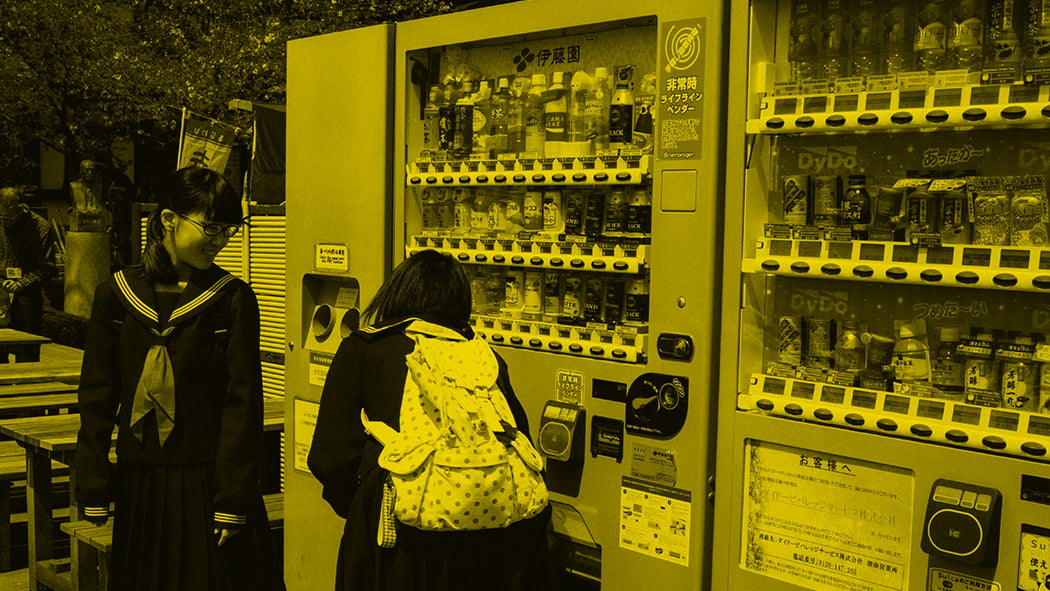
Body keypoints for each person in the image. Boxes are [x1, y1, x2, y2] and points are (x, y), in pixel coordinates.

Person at [75, 166, 284, 591]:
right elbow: (97, 395)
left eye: (228, 230)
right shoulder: (115, 295)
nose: (220, 240)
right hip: (141, 484)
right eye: (210, 226)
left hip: (208, 484)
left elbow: (242, 404)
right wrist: (94, 484)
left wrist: (232, 500)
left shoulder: (232, 299)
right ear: (169, 219)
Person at [308, 249, 557, 591]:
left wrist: (364, 504)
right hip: (487, 537)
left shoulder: (364, 349)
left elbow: (330, 456)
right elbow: (517, 432)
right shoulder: (483, 355)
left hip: (396, 539)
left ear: (396, 292)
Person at [0, 185, 55, 339]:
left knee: (28, 342)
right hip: (0, 289)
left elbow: (47, 267)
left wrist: (21, 283)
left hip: (27, 293)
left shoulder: (40, 227)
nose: (4, 221)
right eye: (1, 216)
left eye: (8, 217)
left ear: (20, 209)